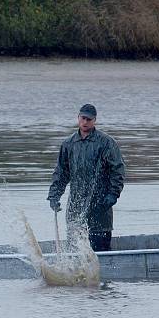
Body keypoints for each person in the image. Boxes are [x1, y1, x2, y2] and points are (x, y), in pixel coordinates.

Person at [47, 103, 125, 252]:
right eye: (83, 118)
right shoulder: (68, 144)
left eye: (89, 119)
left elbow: (118, 170)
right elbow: (61, 173)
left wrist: (113, 194)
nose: (85, 122)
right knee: (75, 249)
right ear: (78, 118)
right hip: (75, 206)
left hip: (100, 206)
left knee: (100, 249)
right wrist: (54, 196)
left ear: (94, 120)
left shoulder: (106, 143)